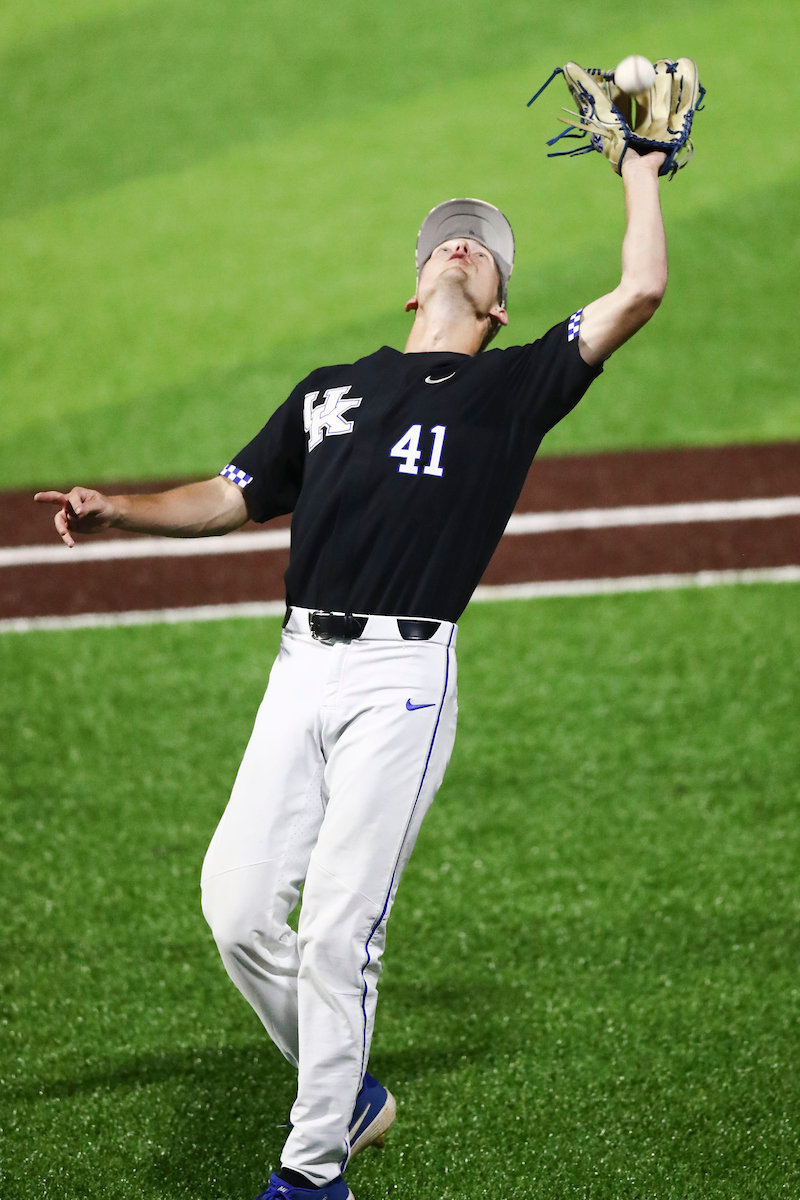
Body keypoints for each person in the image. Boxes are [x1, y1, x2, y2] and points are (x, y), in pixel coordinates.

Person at [35, 149, 668, 1200]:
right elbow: (231, 495)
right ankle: (352, 1095)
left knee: (336, 931)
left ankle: (311, 1166)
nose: (462, 243)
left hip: (401, 684)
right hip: (298, 671)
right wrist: (119, 511)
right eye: (443, 239)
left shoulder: (514, 387)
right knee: (235, 909)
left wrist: (638, 171)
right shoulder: (327, 393)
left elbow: (638, 288)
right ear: (413, 285)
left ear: (500, 305)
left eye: (484, 246)